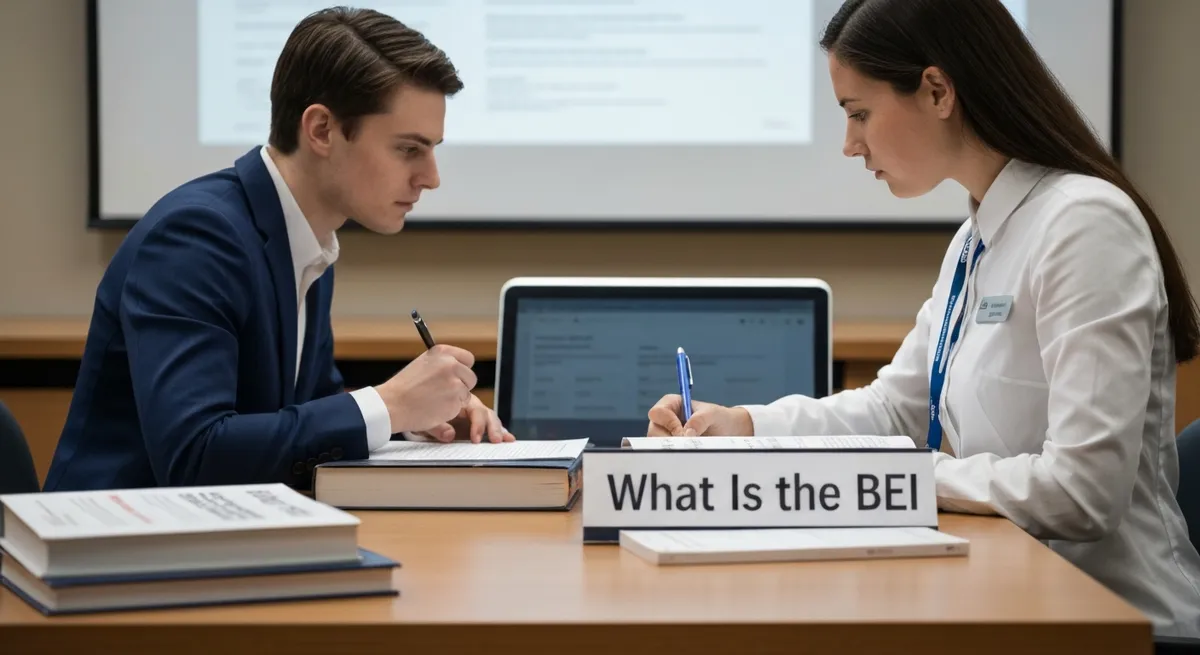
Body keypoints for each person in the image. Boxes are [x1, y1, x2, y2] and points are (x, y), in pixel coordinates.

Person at [647, 0, 1200, 638]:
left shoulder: (1084, 226)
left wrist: (888, 478)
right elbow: (896, 411)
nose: (850, 145)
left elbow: (1082, 492)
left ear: (936, 90)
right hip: (1006, 605)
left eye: (859, 114)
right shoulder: (976, 239)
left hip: (1121, 627)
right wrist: (745, 428)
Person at [44, 7, 512, 493]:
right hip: (111, 549)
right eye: (408, 149)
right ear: (322, 130)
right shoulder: (196, 237)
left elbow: (301, 413)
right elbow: (196, 455)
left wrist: (416, 421)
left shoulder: (307, 239)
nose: (431, 177)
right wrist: (390, 403)